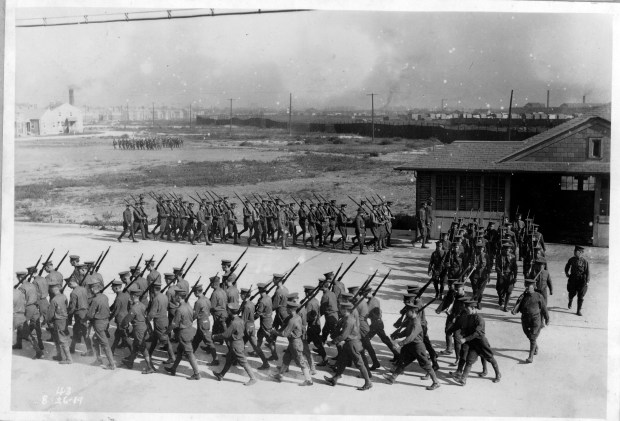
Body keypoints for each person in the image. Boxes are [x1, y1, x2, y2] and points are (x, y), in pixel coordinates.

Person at [384, 302, 440, 390]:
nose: (406, 313)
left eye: (408, 311)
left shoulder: (416, 323)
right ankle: (392, 378)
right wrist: (398, 335)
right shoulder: (411, 320)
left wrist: (399, 344)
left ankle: (436, 382)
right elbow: (407, 332)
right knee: (402, 362)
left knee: (426, 365)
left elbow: (411, 337)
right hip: (410, 346)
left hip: (418, 347)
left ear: (413, 312)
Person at [450, 299, 501, 385]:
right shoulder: (468, 317)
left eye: (468, 309)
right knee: (469, 361)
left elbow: (477, 333)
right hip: (473, 343)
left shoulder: (480, 319)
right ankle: (463, 379)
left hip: (482, 343)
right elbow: (465, 328)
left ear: (473, 308)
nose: (466, 311)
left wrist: (465, 339)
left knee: (490, 358)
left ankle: (498, 374)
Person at [324, 302, 373, 391]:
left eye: (341, 309)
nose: (340, 310)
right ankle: (335, 378)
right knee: (343, 361)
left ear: (345, 310)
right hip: (349, 343)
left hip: (352, 344)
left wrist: (332, 342)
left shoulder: (348, 321)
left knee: (360, 364)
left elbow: (343, 336)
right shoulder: (348, 318)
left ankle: (368, 382)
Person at [212, 303, 258, 386]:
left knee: (243, 362)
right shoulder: (240, 320)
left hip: (235, 345)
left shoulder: (234, 323)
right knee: (229, 360)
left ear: (230, 311)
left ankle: (253, 378)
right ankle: (221, 375)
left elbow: (225, 334)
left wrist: (215, 336)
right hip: (239, 342)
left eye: (228, 310)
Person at [271, 301, 314, 386]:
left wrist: (274, 332)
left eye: (287, 308)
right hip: (294, 342)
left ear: (290, 310)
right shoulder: (297, 317)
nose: (286, 309)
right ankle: (280, 375)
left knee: (301, 361)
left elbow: (285, 334)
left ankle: (309, 380)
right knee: (286, 358)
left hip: (295, 343)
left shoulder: (292, 320)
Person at [164, 286, 201, 380]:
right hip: (189, 331)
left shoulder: (179, 309)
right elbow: (194, 316)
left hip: (183, 333)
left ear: (179, 297)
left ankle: (197, 374)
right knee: (180, 352)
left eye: (175, 296)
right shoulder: (188, 306)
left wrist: (166, 332)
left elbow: (174, 324)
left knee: (189, 353)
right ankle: (173, 369)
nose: (174, 297)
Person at [512, 277, 549, 363]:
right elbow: (517, 307)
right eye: (526, 287)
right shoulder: (522, 296)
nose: (528, 288)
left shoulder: (539, 296)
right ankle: (535, 346)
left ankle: (530, 357)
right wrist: (515, 310)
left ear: (534, 287)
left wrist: (547, 318)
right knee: (528, 334)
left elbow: (544, 309)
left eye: (530, 287)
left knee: (532, 337)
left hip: (535, 319)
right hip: (525, 319)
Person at [121, 284, 156, 374]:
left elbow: (127, 320)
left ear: (133, 296)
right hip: (143, 327)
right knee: (136, 346)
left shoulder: (134, 308)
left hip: (138, 329)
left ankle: (149, 367)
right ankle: (130, 362)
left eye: (131, 296)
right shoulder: (142, 305)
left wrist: (123, 325)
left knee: (142, 347)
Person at [85, 277, 116, 370]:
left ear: (94, 289)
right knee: (95, 339)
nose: (90, 289)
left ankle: (111, 364)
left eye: (91, 288)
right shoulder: (104, 297)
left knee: (105, 344)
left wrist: (84, 319)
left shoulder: (95, 300)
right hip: (105, 322)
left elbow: (90, 314)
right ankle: (98, 360)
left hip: (98, 323)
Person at [13, 271, 43, 359]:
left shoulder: (22, 287)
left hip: (27, 307)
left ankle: (37, 350)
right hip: (34, 307)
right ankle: (39, 345)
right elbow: (38, 295)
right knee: (36, 326)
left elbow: (20, 300)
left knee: (23, 327)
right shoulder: (32, 284)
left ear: (19, 278)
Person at [239, 287, 270, 370]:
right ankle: (233, 359)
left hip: (247, 328)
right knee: (241, 345)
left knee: (254, 346)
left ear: (244, 295)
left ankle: (266, 363)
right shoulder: (251, 303)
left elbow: (243, 320)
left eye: (241, 295)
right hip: (251, 326)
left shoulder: (246, 306)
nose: (240, 296)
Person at [148, 274, 176, 364]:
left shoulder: (156, 299)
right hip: (164, 319)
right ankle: (149, 353)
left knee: (165, 340)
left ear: (153, 288)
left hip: (159, 322)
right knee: (155, 338)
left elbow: (152, 313)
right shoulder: (164, 296)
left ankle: (172, 357)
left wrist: (147, 320)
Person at [191, 285, 219, 366]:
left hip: (202, 324)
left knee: (209, 342)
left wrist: (189, 321)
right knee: (196, 339)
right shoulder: (207, 299)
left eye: (194, 292)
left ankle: (216, 359)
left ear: (196, 292)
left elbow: (195, 315)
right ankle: (190, 353)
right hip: (206, 322)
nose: (193, 294)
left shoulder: (198, 302)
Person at [47, 281, 72, 364]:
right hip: (64, 320)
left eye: (51, 288)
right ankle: (59, 356)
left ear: (55, 289)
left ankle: (69, 359)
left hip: (58, 321)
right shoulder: (64, 297)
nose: (50, 290)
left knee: (61, 339)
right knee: (58, 338)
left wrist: (48, 321)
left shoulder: (54, 300)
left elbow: (50, 314)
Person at [68, 277, 94, 355]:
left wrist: (69, 315)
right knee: (76, 330)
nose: (69, 286)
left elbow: (72, 307)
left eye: (69, 284)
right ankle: (72, 348)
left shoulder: (73, 293)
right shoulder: (84, 289)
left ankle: (90, 351)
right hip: (85, 312)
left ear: (72, 283)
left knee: (84, 332)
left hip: (78, 314)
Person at [255, 282, 278, 361]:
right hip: (267, 320)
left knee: (269, 339)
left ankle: (274, 355)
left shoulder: (262, 301)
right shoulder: (268, 297)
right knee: (259, 336)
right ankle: (256, 351)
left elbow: (258, 313)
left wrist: (251, 318)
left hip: (265, 322)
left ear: (259, 290)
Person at [565, 245, 590, 316]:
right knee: (572, 293)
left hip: (581, 280)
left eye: (577, 252)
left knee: (581, 296)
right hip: (573, 279)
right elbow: (567, 266)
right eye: (575, 251)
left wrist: (587, 281)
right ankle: (570, 301)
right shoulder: (572, 259)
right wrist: (567, 273)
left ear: (581, 253)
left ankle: (578, 310)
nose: (575, 253)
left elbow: (587, 271)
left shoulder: (585, 261)